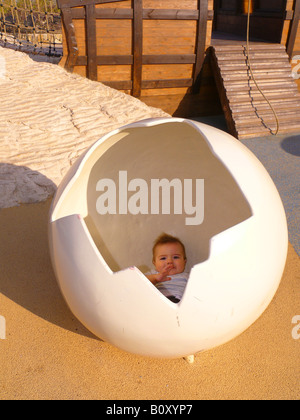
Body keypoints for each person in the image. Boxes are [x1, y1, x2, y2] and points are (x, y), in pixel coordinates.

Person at [146, 233, 189, 303]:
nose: (170, 261)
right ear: (154, 263)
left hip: (177, 303)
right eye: (163, 258)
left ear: (184, 261)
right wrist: (155, 278)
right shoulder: (153, 274)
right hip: (155, 302)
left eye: (176, 257)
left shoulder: (187, 277)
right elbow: (138, 282)